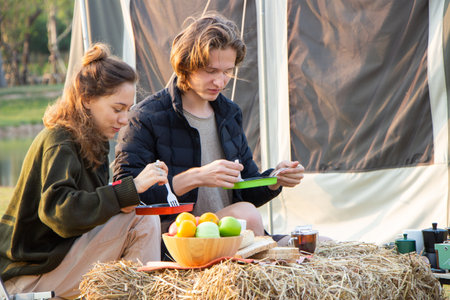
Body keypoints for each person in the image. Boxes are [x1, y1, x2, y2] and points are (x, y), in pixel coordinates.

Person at [114, 13, 304, 240]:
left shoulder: (230, 113)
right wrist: (195, 177)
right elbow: (124, 193)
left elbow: (246, 189)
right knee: (248, 214)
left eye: (227, 71)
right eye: (211, 71)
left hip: (231, 235)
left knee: (318, 243)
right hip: (179, 241)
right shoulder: (145, 117)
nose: (220, 81)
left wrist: (274, 179)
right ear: (186, 65)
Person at [0, 43, 168, 299]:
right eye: (117, 108)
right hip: (28, 278)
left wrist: (121, 201)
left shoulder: (92, 143)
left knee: (138, 215)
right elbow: (62, 214)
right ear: (87, 100)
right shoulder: (60, 141)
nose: (125, 119)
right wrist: (129, 190)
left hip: (54, 264)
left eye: (128, 109)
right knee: (142, 222)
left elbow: (86, 212)